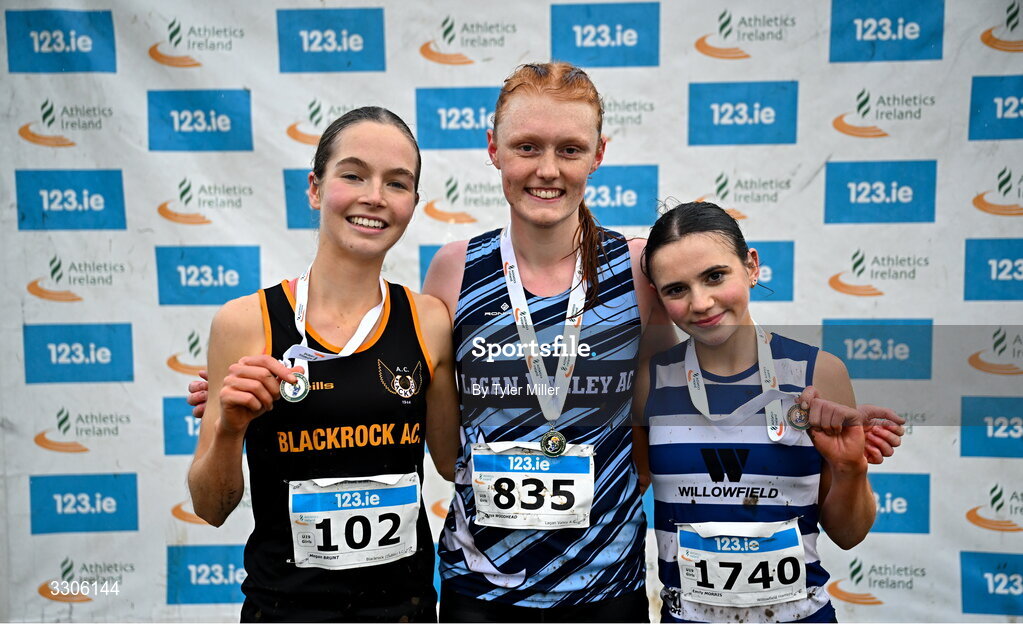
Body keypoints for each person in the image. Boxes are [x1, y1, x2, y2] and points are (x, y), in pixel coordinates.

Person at [187, 63, 904, 622]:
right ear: (492, 148)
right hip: (478, 588)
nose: (547, 169)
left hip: (608, 588)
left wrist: (822, 435)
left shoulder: (637, 267)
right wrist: (244, 409)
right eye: (526, 146)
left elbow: (694, 377)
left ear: (598, 154)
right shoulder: (453, 267)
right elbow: (416, 403)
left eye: (569, 148)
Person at [187, 107, 458, 623]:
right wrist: (229, 428)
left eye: (396, 183)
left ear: (412, 204)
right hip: (284, 609)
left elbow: (450, 462)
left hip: (404, 611)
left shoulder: (428, 321)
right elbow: (210, 508)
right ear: (315, 188)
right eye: (353, 175)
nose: (374, 196)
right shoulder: (245, 322)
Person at [637, 201, 875, 623]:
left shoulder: (818, 372)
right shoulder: (651, 381)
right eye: (677, 289)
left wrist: (851, 469)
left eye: (715, 276)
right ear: (659, 295)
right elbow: (628, 492)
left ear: (751, 266)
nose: (702, 302)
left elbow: (849, 534)